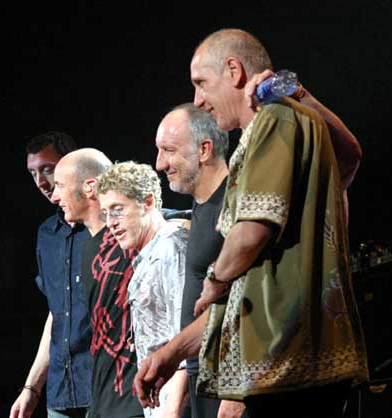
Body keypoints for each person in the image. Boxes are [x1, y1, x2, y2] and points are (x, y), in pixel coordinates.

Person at [135, 29, 369, 418]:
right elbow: (350, 157)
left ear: (234, 70)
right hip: (289, 370)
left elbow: (250, 234)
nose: (198, 99)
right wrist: (171, 352)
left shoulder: (274, 120)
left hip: (288, 368)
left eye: (201, 83)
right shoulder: (294, 123)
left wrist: (215, 279)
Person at [155, 104, 245, 418]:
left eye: (168, 150)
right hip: (202, 374)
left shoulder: (234, 203)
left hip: (230, 382)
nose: (159, 163)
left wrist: (238, 391)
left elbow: (253, 300)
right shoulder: (201, 205)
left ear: (204, 150)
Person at [50, 149, 145, 418]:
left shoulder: (133, 238)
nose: (54, 196)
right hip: (102, 400)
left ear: (90, 187)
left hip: (135, 400)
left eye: (60, 185)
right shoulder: (88, 249)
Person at [96, 161, 190, 418]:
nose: (110, 223)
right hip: (159, 398)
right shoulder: (147, 254)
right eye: (105, 213)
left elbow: (184, 336)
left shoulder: (171, 248)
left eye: (118, 210)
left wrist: (173, 409)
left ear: (148, 202)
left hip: (175, 400)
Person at [10, 131, 92, 418]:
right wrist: (32, 387)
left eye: (47, 169)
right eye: (33, 173)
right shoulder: (47, 234)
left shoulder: (107, 227)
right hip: (61, 390)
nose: (41, 182)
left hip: (106, 388)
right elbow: (58, 313)